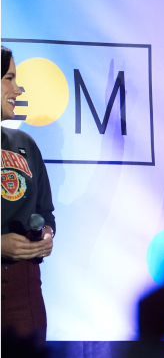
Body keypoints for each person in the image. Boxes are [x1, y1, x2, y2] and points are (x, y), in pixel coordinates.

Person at [1, 46, 56, 353]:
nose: (18, 88)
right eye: (9, 78)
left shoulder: (25, 145)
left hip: (25, 301)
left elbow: (45, 212)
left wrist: (46, 234)